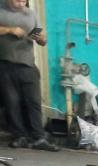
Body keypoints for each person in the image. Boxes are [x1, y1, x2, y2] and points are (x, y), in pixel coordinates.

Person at [0, 0, 58, 150]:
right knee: (12, 102)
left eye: (23, 1)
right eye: (17, 0)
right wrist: (9, 30)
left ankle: (39, 137)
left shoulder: (31, 14)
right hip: (5, 64)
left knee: (34, 101)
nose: (21, 4)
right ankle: (20, 136)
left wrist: (42, 39)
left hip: (27, 64)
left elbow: (40, 36)